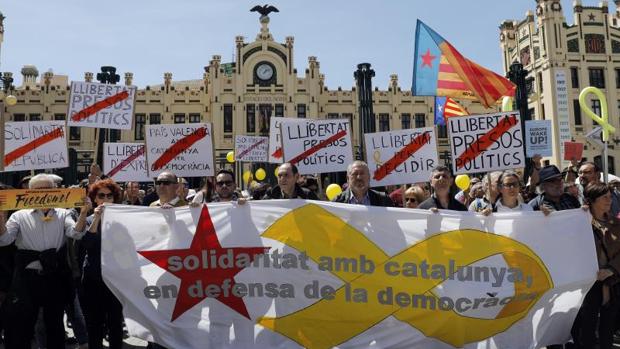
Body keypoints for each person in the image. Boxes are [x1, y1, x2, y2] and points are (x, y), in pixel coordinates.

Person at [0, 174, 89, 349]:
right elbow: (4, 240)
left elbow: (76, 233)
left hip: (54, 276)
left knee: (54, 323)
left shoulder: (63, 213)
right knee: (22, 324)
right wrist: (1, 216)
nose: (43, 194)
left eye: (47, 189)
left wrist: (84, 213)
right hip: (27, 278)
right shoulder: (19, 216)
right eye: (38, 190)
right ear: (30, 192)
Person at [571, 182, 620, 349]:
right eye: (604, 197)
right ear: (591, 200)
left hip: (612, 282)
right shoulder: (579, 223)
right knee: (587, 327)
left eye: (610, 197)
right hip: (588, 284)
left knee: (608, 327)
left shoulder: (616, 223)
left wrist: (611, 269)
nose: (609, 201)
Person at [79, 179, 125, 349]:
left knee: (115, 323)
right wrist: (97, 217)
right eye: (101, 195)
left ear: (115, 198)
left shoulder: (123, 220)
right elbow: (86, 244)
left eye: (109, 195)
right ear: (95, 198)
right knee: (94, 324)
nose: (105, 199)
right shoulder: (88, 219)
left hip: (116, 279)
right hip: (94, 278)